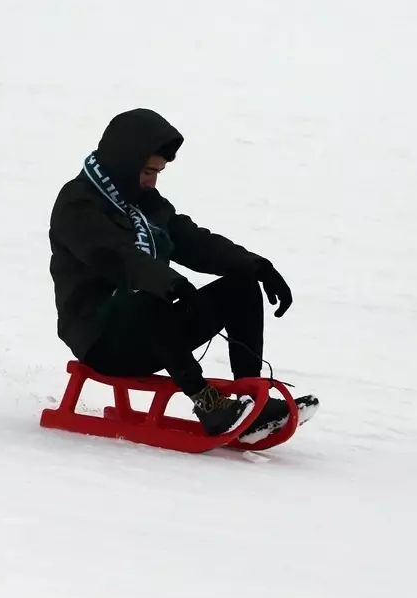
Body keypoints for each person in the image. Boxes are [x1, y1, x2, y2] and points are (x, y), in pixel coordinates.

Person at [48, 108, 318, 442]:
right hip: (103, 340)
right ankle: (209, 406)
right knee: (145, 293)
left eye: (158, 172)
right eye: (147, 171)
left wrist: (256, 265)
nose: (152, 180)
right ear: (123, 162)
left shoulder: (145, 203)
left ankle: (251, 401)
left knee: (241, 286)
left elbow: (191, 240)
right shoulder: (77, 205)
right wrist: (170, 282)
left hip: (153, 332)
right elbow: (118, 256)